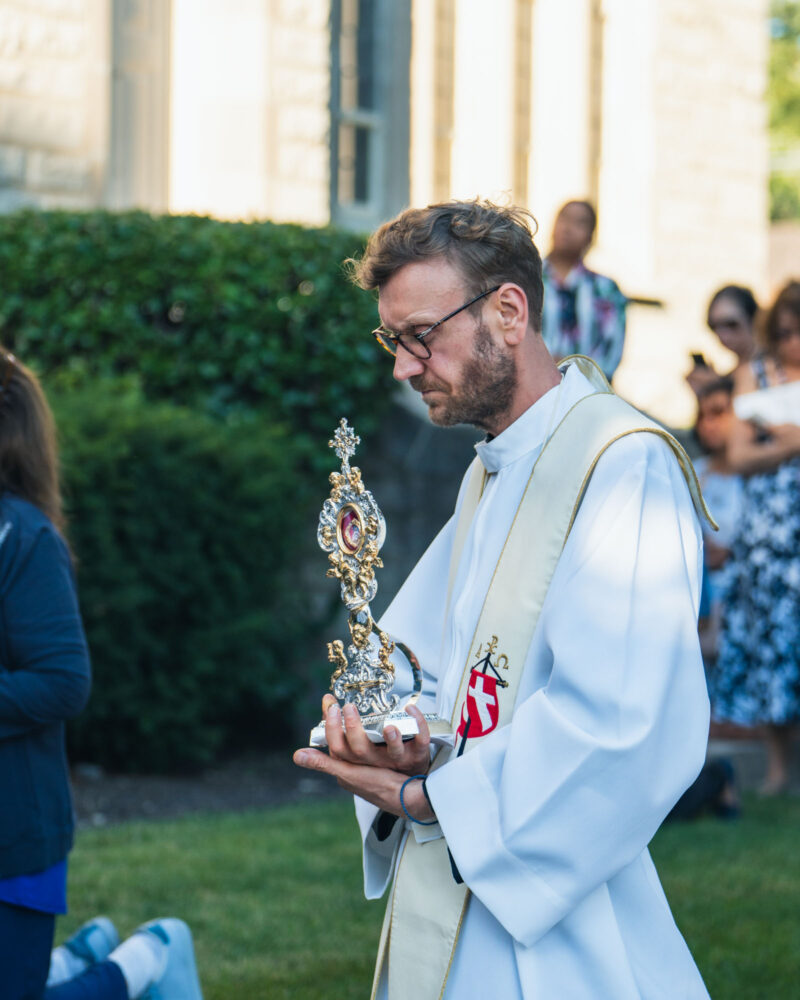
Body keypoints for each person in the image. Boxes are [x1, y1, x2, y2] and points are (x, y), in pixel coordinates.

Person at [293, 201, 712, 999]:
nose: (403, 368)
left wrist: (428, 799)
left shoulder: (621, 465)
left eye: (420, 335)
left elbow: (620, 724)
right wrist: (400, 739)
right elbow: (431, 659)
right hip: (461, 864)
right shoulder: (493, 466)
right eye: (393, 341)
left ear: (509, 312)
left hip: (553, 915)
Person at [0, 349, 203, 999]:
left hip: (13, 837)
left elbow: (63, 680)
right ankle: (69, 962)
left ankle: (151, 956)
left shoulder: (23, 538)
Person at [710, 281, 800, 796]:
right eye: (785, 333)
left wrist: (779, 437)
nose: (793, 343)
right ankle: (778, 766)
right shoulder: (754, 376)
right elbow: (740, 456)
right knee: (769, 641)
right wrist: (792, 444)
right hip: (769, 535)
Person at [540, 199, 627, 380]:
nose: (568, 228)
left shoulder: (605, 290)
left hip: (586, 395)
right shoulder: (527, 278)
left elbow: (612, 353)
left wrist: (575, 372)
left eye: (580, 223)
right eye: (564, 218)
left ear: (590, 237)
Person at [691, 377, 744, 660]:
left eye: (719, 413)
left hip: (742, 603)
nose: (708, 424)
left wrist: (733, 551)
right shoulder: (695, 473)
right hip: (700, 604)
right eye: (703, 415)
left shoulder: (759, 478)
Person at [687, 285, 759, 398]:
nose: (723, 335)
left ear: (752, 319)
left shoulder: (772, 366)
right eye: (714, 326)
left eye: (731, 324)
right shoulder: (728, 378)